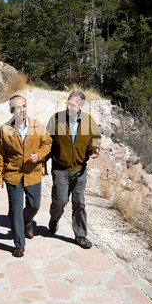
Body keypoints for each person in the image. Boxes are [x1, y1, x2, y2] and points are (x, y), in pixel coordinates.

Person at [0, 95, 52, 258]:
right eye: (19, 107)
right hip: (13, 175)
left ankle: (27, 222)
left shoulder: (37, 126)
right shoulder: (4, 130)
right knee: (16, 210)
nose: (23, 109)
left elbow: (48, 143)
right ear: (12, 110)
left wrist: (39, 156)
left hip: (33, 173)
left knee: (34, 205)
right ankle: (19, 244)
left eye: (24, 106)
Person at [46, 90, 101, 249]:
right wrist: (42, 163)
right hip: (60, 169)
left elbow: (95, 137)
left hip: (79, 169)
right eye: (68, 103)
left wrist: (94, 149)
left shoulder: (88, 121)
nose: (69, 106)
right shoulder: (56, 119)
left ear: (81, 106)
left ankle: (80, 235)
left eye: (73, 104)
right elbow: (47, 142)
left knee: (79, 203)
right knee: (60, 201)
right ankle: (54, 217)